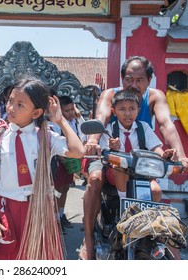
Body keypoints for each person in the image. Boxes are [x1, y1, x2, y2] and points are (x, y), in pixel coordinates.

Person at [80, 55, 188, 260]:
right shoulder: (110, 95)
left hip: (141, 162)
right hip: (107, 153)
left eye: (139, 80)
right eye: (129, 79)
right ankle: (88, 240)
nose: (133, 84)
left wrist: (181, 156)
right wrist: (93, 141)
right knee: (94, 180)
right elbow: (101, 117)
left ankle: (164, 247)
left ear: (149, 81)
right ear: (122, 80)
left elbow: (166, 124)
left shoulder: (155, 97)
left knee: (156, 191)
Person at [0, 78, 85, 260]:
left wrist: (60, 121)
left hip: (39, 209)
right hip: (7, 208)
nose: (11, 107)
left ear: (36, 112)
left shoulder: (45, 137)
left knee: (39, 257)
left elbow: (78, 151)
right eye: (10, 101)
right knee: (6, 256)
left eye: (20, 104)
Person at [99, 89, 176, 200]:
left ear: (138, 111)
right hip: (116, 173)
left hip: (141, 172)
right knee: (120, 167)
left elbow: (155, 148)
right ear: (114, 111)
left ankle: (148, 214)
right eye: (122, 109)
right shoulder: (109, 130)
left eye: (132, 109)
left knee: (156, 191)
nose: (127, 113)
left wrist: (164, 154)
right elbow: (104, 156)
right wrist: (111, 147)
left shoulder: (144, 127)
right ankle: (125, 203)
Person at [49, 95, 86, 230]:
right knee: (57, 190)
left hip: (69, 162)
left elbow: (82, 133)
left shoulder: (74, 122)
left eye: (72, 109)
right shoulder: (55, 125)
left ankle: (61, 214)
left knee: (65, 188)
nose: (70, 113)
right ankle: (54, 219)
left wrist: (78, 115)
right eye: (67, 111)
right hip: (60, 162)